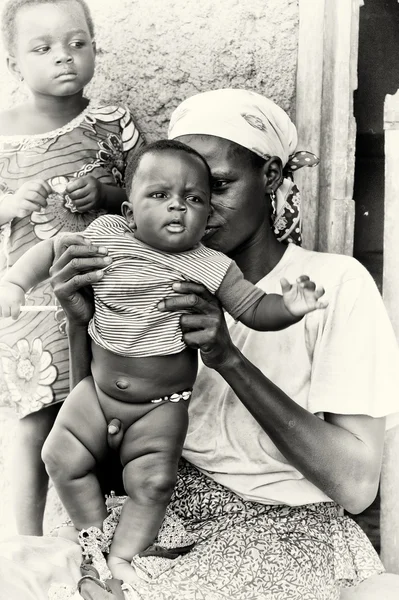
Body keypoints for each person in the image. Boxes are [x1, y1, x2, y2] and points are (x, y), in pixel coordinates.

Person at [1, 88, 399, 600]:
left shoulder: (332, 284)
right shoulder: (137, 269)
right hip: (160, 514)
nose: (190, 208)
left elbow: (356, 485)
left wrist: (227, 357)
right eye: (168, 192)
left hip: (279, 529)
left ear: (271, 177)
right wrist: (82, 322)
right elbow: (103, 451)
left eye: (213, 189)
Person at [0, 0, 143, 536]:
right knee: (36, 418)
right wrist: (12, 205)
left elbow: (148, 193)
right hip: (32, 306)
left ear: (94, 47)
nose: (64, 57)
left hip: (109, 294)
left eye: (77, 43)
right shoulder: (2, 134)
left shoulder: (114, 124)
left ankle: (108, 536)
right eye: (42, 48)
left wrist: (107, 192)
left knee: (110, 411)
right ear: (14, 64)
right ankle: (27, 540)